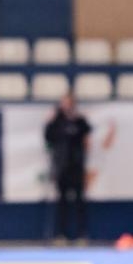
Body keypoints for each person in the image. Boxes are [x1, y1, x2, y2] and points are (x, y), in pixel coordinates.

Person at [44, 94, 92, 244]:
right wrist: (50, 122)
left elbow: (87, 131)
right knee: (62, 203)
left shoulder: (79, 121)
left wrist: (79, 118)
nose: (67, 106)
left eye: (69, 103)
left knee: (79, 202)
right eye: (64, 103)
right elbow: (48, 137)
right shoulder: (57, 122)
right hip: (62, 167)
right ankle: (61, 235)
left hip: (76, 167)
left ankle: (81, 235)